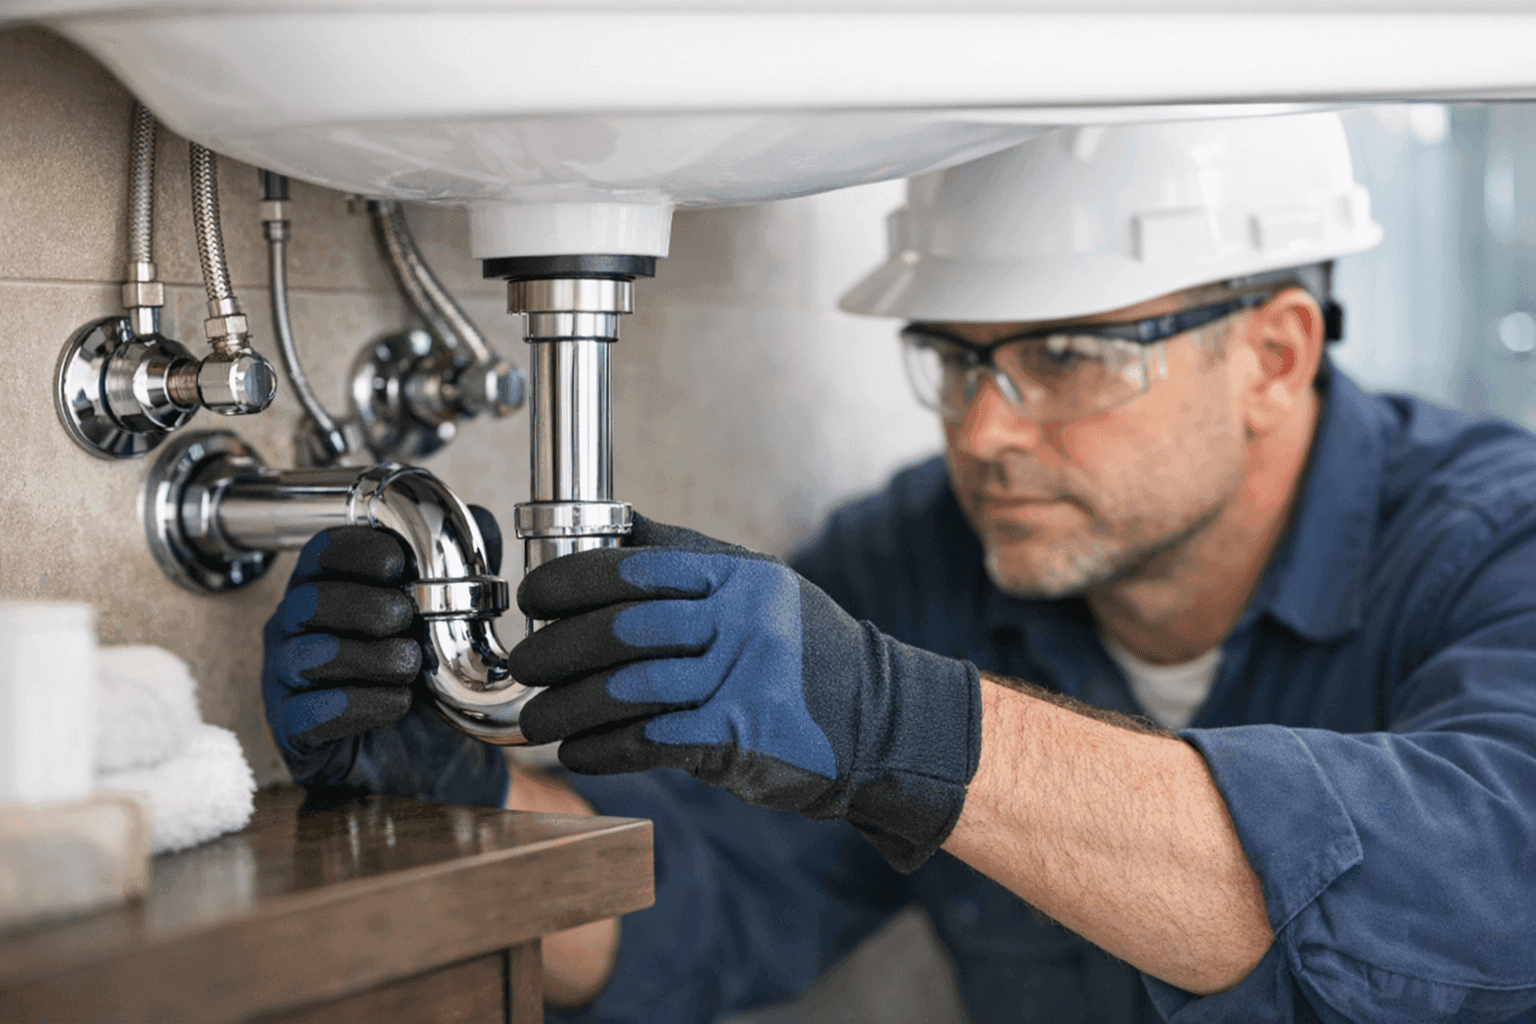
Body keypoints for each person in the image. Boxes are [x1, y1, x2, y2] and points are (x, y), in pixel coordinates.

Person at [261, 113, 1536, 1023]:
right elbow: (707, 907)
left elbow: (1490, 894)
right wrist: (459, 805)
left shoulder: (1499, 541)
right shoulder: (926, 557)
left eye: (1070, 358)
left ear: (1273, 355)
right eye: (958, 358)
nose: (984, 432)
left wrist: (912, 729)